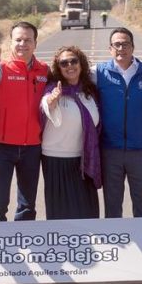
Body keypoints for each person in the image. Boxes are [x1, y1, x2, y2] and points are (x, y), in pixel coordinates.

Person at [0, 21, 49, 221]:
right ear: (10, 43)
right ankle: (1, 246)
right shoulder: (1, 68)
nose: (22, 44)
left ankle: (26, 245)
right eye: (18, 40)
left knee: (27, 206)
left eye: (27, 40)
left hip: (32, 147)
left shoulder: (44, 71)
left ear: (35, 43)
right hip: (2, 147)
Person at [96, 27, 142, 218]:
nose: (121, 48)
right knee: (112, 204)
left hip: (140, 150)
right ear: (110, 48)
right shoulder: (98, 73)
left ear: (133, 47)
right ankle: (117, 244)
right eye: (117, 44)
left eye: (125, 44)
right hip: (110, 149)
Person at [40, 46, 101, 219]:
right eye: (64, 63)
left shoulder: (89, 91)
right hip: (56, 160)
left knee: (88, 212)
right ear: (58, 68)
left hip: (83, 160)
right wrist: (52, 100)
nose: (70, 66)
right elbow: (46, 105)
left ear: (81, 64)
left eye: (74, 61)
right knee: (61, 213)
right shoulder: (54, 89)